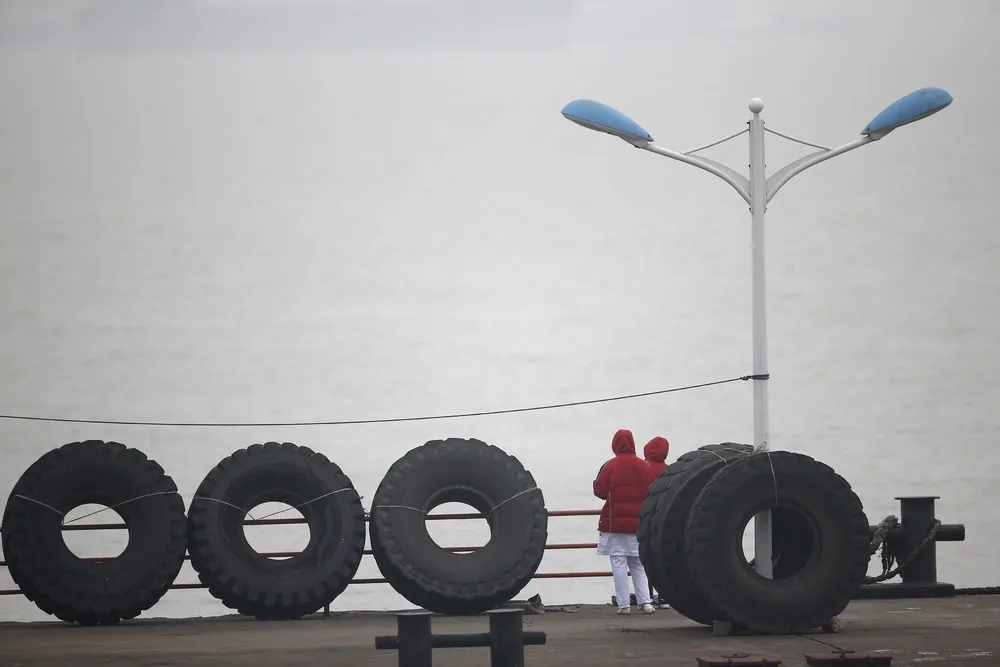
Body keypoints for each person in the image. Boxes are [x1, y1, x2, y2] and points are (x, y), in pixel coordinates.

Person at [593, 428, 656, 614]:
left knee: (618, 563)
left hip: (615, 524)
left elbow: (600, 492)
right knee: (638, 563)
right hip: (638, 522)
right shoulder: (644, 466)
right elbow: (651, 490)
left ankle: (624, 605)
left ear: (615, 444)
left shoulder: (610, 465)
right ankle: (646, 602)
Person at [642, 436, 671, 608]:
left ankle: (648, 596)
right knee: (662, 559)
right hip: (664, 519)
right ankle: (665, 597)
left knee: (646, 559)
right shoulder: (671, 470)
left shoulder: (643, 467)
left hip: (646, 518)